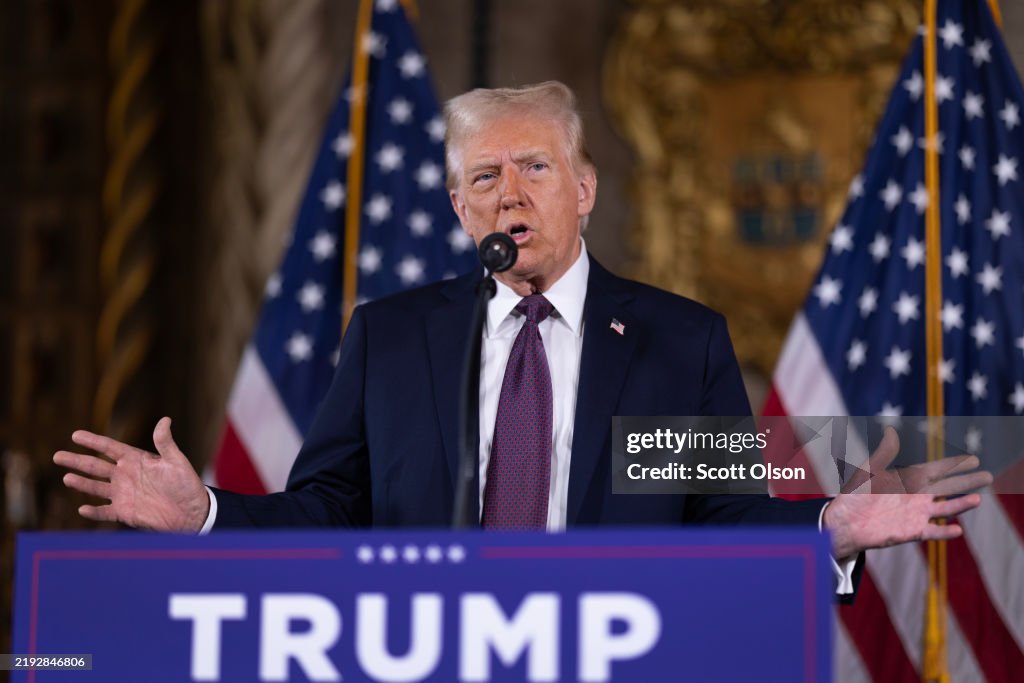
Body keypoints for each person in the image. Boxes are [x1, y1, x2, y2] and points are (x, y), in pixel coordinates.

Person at [54, 82, 988, 596]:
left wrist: (834, 527)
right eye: (486, 176)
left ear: (582, 189)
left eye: (535, 166)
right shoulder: (392, 337)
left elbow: (722, 518)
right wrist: (207, 514)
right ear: (461, 209)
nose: (512, 193)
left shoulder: (677, 340)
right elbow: (330, 511)